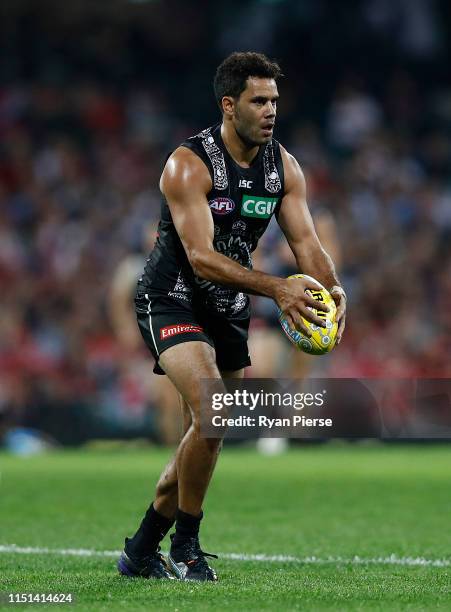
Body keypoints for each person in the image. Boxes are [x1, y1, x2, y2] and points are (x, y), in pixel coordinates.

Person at [117, 51, 346, 582]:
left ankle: (142, 547)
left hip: (229, 306)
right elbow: (199, 257)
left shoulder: (283, 167)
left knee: (210, 427)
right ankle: (187, 545)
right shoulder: (187, 163)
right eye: (259, 100)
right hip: (172, 297)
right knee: (214, 411)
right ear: (229, 105)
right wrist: (278, 289)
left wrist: (332, 290)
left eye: (275, 101)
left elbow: (307, 242)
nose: (270, 111)